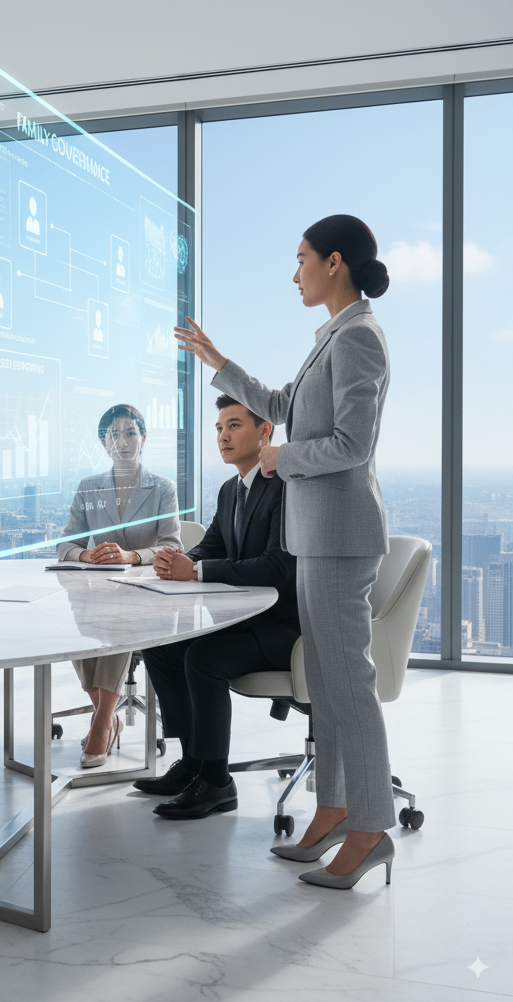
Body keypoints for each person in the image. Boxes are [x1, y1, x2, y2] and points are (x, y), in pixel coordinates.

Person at [175, 214, 395, 889]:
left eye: (300, 259)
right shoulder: (330, 337)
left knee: (347, 688)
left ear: (333, 262)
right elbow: (279, 402)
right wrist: (220, 365)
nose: (293, 272)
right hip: (317, 537)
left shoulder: (359, 339)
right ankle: (331, 807)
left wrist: (279, 457)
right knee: (325, 688)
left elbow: (352, 446)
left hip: (338, 538)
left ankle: (371, 828)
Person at [137, 395, 300, 819]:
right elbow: (211, 546)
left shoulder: (286, 485)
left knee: (204, 657)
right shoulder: (232, 490)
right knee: (161, 645)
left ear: (265, 431)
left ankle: (216, 782)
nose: (223, 436)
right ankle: (192, 762)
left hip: (283, 629)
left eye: (234, 426)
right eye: (219, 429)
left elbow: (277, 566)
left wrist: (197, 571)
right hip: (244, 620)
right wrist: (176, 561)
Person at [56, 403, 182, 768]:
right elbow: (66, 544)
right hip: (98, 591)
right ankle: (108, 717)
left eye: (130, 432)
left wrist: (129, 556)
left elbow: (173, 546)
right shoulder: (88, 487)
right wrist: (87, 556)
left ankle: (101, 721)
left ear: (143, 439)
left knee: (116, 621)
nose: (123, 441)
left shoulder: (161, 487)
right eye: (114, 434)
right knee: (75, 625)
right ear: (103, 443)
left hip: (146, 597)